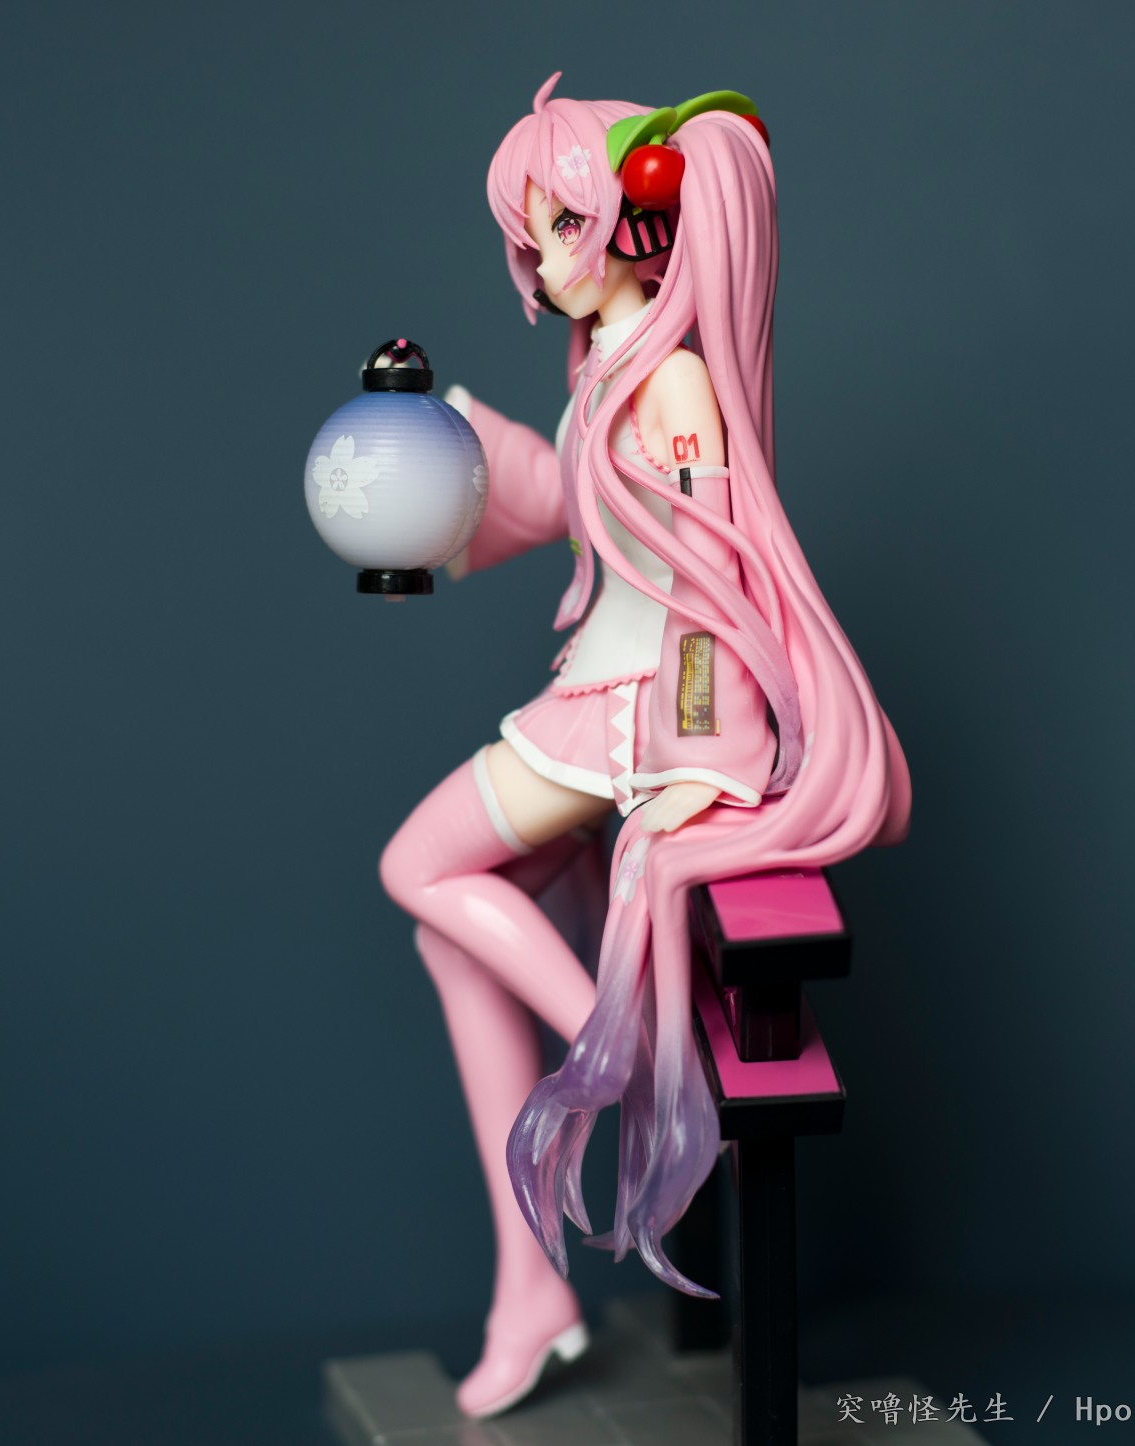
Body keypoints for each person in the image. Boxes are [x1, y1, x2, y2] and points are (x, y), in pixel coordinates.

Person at [380, 73, 911, 1420]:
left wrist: (696, 759)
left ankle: (618, 1061)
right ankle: (532, 1291)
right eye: (530, 234)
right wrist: (444, 482)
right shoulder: (607, 366)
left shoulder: (671, 381)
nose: (544, 258)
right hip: (594, 695)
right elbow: (578, 512)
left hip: (628, 716)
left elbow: (714, 591)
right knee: (451, 940)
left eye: (564, 223)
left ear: (636, 219)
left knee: (415, 865)